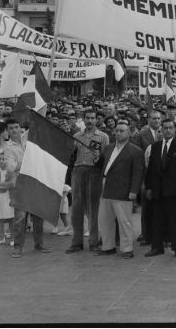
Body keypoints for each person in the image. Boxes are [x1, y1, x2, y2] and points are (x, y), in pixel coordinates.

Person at [96, 122, 144, 258]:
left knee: (124, 221)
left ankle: (127, 249)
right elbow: (101, 165)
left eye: (122, 131)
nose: (118, 133)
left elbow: (138, 173)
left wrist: (134, 190)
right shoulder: (108, 148)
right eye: (116, 131)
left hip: (123, 189)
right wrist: (96, 158)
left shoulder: (136, 151)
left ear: (128, 133)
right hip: (106, 186)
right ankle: (108, 246)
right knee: (105, 219)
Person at [144, 118, 176, 258]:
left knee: (175, 220)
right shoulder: (156, 146)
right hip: (158, 190)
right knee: (157, 220)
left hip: (175, 191)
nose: (168, 130)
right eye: (165, 128)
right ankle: (157, 247)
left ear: (175, 130)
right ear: (161, 130)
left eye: (171, 128)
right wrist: (149, 187)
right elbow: (151, 169)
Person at [5, 118, 51, 258]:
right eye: (11, 128)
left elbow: (39, 120)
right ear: (7, 131)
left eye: (16, 127)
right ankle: (18, 247)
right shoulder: (7, 148)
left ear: (20, 128)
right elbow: (11, 167)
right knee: (20, 218)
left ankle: (39, 244)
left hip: (35, 183)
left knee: (38, 216)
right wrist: (27, 160)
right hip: (19, 186)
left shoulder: (28, 139)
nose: (14, 130)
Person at [66, 109, 109, 254]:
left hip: (94, 172)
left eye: (92, 118)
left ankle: (94, 242)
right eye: (87, 118)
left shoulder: (103, 137)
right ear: (83, 120)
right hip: (78, 172)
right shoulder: (77, 136)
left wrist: (99, 157)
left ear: (97, 120)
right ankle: (77, 242)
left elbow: (106, 158)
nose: (90, 121)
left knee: (93, 209)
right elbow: (71, 156)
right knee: (76, 208)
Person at [133, 110, 162, 246]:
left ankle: (163, 235)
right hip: (147, 176)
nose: (156, 121)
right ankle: (146, 234)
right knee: (147, 207)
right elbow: (138, 156)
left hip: (163, 177)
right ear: (148, 120)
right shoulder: (141, 135)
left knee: (163, 207)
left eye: (158, 118)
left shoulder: (167, 131)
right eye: (153, 118)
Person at [0, 152, 15, 246]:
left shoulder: (10, 172)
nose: (2, 161)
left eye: (3, 159)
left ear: (6, 160)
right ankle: (1, 238)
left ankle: (13, 238)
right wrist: (4, 185)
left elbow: (12, 184)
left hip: (7, 196)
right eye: (0, 159)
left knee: (11, 218)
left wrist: (1, 185)